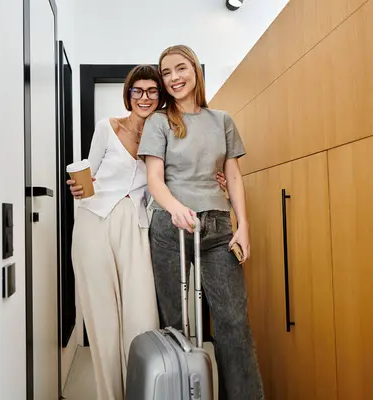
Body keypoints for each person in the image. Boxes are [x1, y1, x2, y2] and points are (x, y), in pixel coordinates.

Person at [67, 64, 228, 400]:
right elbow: (88, 174)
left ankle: (141, 391)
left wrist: (218, 180)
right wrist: (78, 187)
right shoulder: (107, 127)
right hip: (94, 222)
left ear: (161, 96)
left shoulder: (167, 132)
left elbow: (182, 175)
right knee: (102, 319)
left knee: (141, 317)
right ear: (128, 95)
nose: (145, 97)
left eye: (152, 91)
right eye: (137, 91)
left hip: (137, 224)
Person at [137, 45, 265, 399]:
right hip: (170, 227)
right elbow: (155, 179)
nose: (174, 78)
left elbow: (233, 175)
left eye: (181, 69)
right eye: (167, 73)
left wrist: (243, 225)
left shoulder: (221, 120)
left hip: (218, 227)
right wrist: (175, 208)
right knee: (175, 323)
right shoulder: (159, 122)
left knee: (233, 322)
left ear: (195, 71)